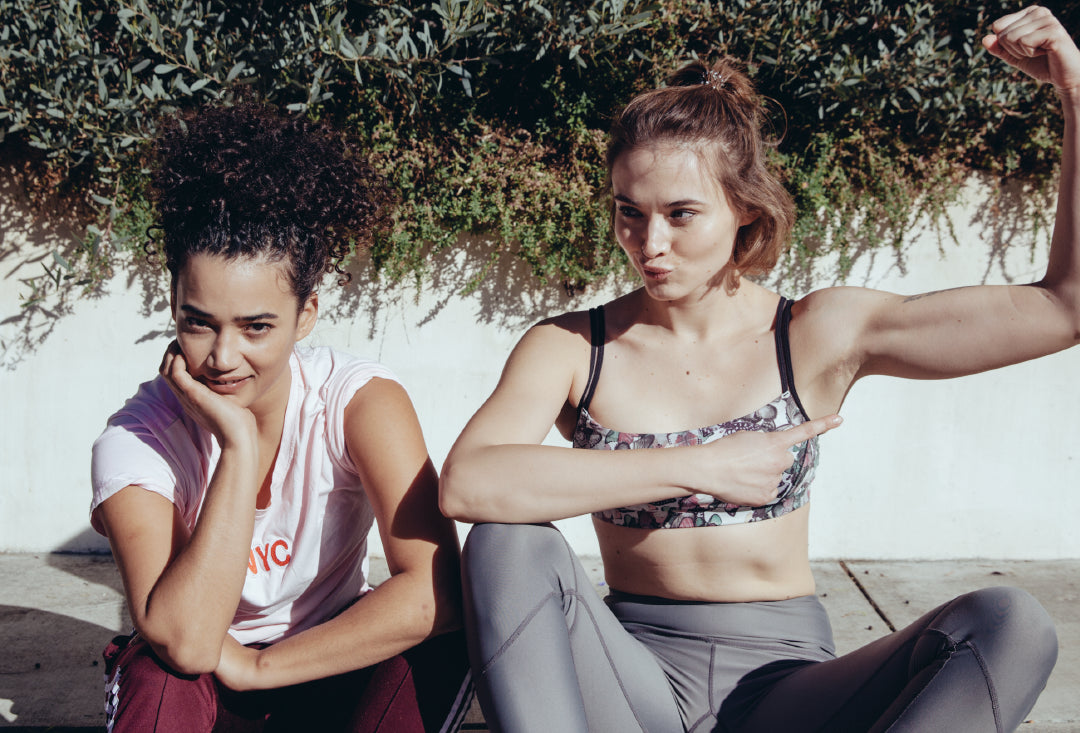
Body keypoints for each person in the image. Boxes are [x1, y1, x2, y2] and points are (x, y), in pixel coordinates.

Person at [439, 6, 1073, 733]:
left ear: (742, 208)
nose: (650, 243)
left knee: (1010, 620)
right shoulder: (572, 346)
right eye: (629, 213)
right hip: (629, 686)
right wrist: (702, 465)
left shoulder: (813, 332)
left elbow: (1064, 309)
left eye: (681, 214)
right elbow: (470, 483)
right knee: (508, 540)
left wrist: (1076, 94)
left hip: (787, 688)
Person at [90, 101, 472, 732]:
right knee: (160, 672)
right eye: (198, 322)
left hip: (322, 666)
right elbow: (184, 641)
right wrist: (236, 448)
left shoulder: (356, 400)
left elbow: (438, 589)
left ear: (306, 315)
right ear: (174, 306)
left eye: (256, 327)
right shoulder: (137, 439)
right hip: (204, 679)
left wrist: (265, 668)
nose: (222, 358)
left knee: (437, 645)